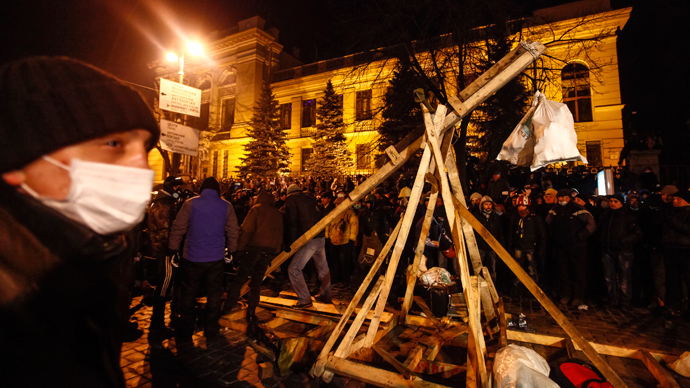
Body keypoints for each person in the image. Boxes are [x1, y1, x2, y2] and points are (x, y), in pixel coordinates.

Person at [0, 56, 160, 387]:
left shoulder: (98, 261)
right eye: (114, 144)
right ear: (17, 163)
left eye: (144, 148)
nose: (143, 169)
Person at [169, 177, 239, 344]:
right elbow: (233, 231)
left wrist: (173, 249)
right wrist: (232, 250)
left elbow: (178, 227)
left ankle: (186, 329)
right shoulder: (226, 205)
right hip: (215, 258)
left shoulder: (190, 204)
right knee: (214, 293)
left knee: (189, 293)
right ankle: (211, 328)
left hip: (192, 256)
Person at [223, 190, 283, 323]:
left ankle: (228, 307)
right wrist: (275, 251)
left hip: (253, 249)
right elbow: (279, 234)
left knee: (240, 279)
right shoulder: (277, 212)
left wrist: (238, 249)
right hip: (268, 251)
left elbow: (246, 230)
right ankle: (251, 311)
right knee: (256, 283)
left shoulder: (256, 209)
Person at [546, 188, 596, 308]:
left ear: (569, 198)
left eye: (563, 197)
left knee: (578, 271)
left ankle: (578, 296)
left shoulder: (578, 209)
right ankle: (566, 294)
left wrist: (581, 236)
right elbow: (548, 222)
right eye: (559, 197)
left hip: (577, 246)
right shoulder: (555, 210)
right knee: (563, 272)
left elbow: (591, 224)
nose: (561, 199)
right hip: (561, 246)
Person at [284, 184, 332, 308]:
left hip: (308, 238)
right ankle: (326, 294)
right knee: (323, 267)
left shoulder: (291, 199)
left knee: (294, 269)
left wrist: (291, 242)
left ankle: (304, 299)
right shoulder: (309, 197)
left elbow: (292, 221)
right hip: (319, 236)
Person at [147, 175, 184, 337]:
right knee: (163, 287)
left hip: (164, 249)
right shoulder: (163, 205)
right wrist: (172, 250)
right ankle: (157, 325)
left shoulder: (164, 202)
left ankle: (159, 322)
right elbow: (165, 231)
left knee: (165, 285)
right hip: (166, 251)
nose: (179, 190)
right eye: (176, 187)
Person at [597, 193, 642, 308]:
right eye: (611, 201)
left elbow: (637, 233)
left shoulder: (628, 216)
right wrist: (601, 240)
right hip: (607, 250)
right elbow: (600, 229)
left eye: (615, 201)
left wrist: (624, 240)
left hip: (623, 251)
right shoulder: (606, 215)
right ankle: (613, 300)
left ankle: (624, 302)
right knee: (609, 277)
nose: (612, 203)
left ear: (621, 203)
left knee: (624, 278)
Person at [472, 195, 505, 284]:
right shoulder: (476, 217)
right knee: (478, 269)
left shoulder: (495, 217)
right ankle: (479, 287)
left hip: (492, 248)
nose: (488, 206)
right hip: (480, 247)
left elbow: (499, 232)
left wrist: (500, 246)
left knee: (492, 270)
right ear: (482, 205)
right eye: (486, 204)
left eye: (490, 204)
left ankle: (493, 288)